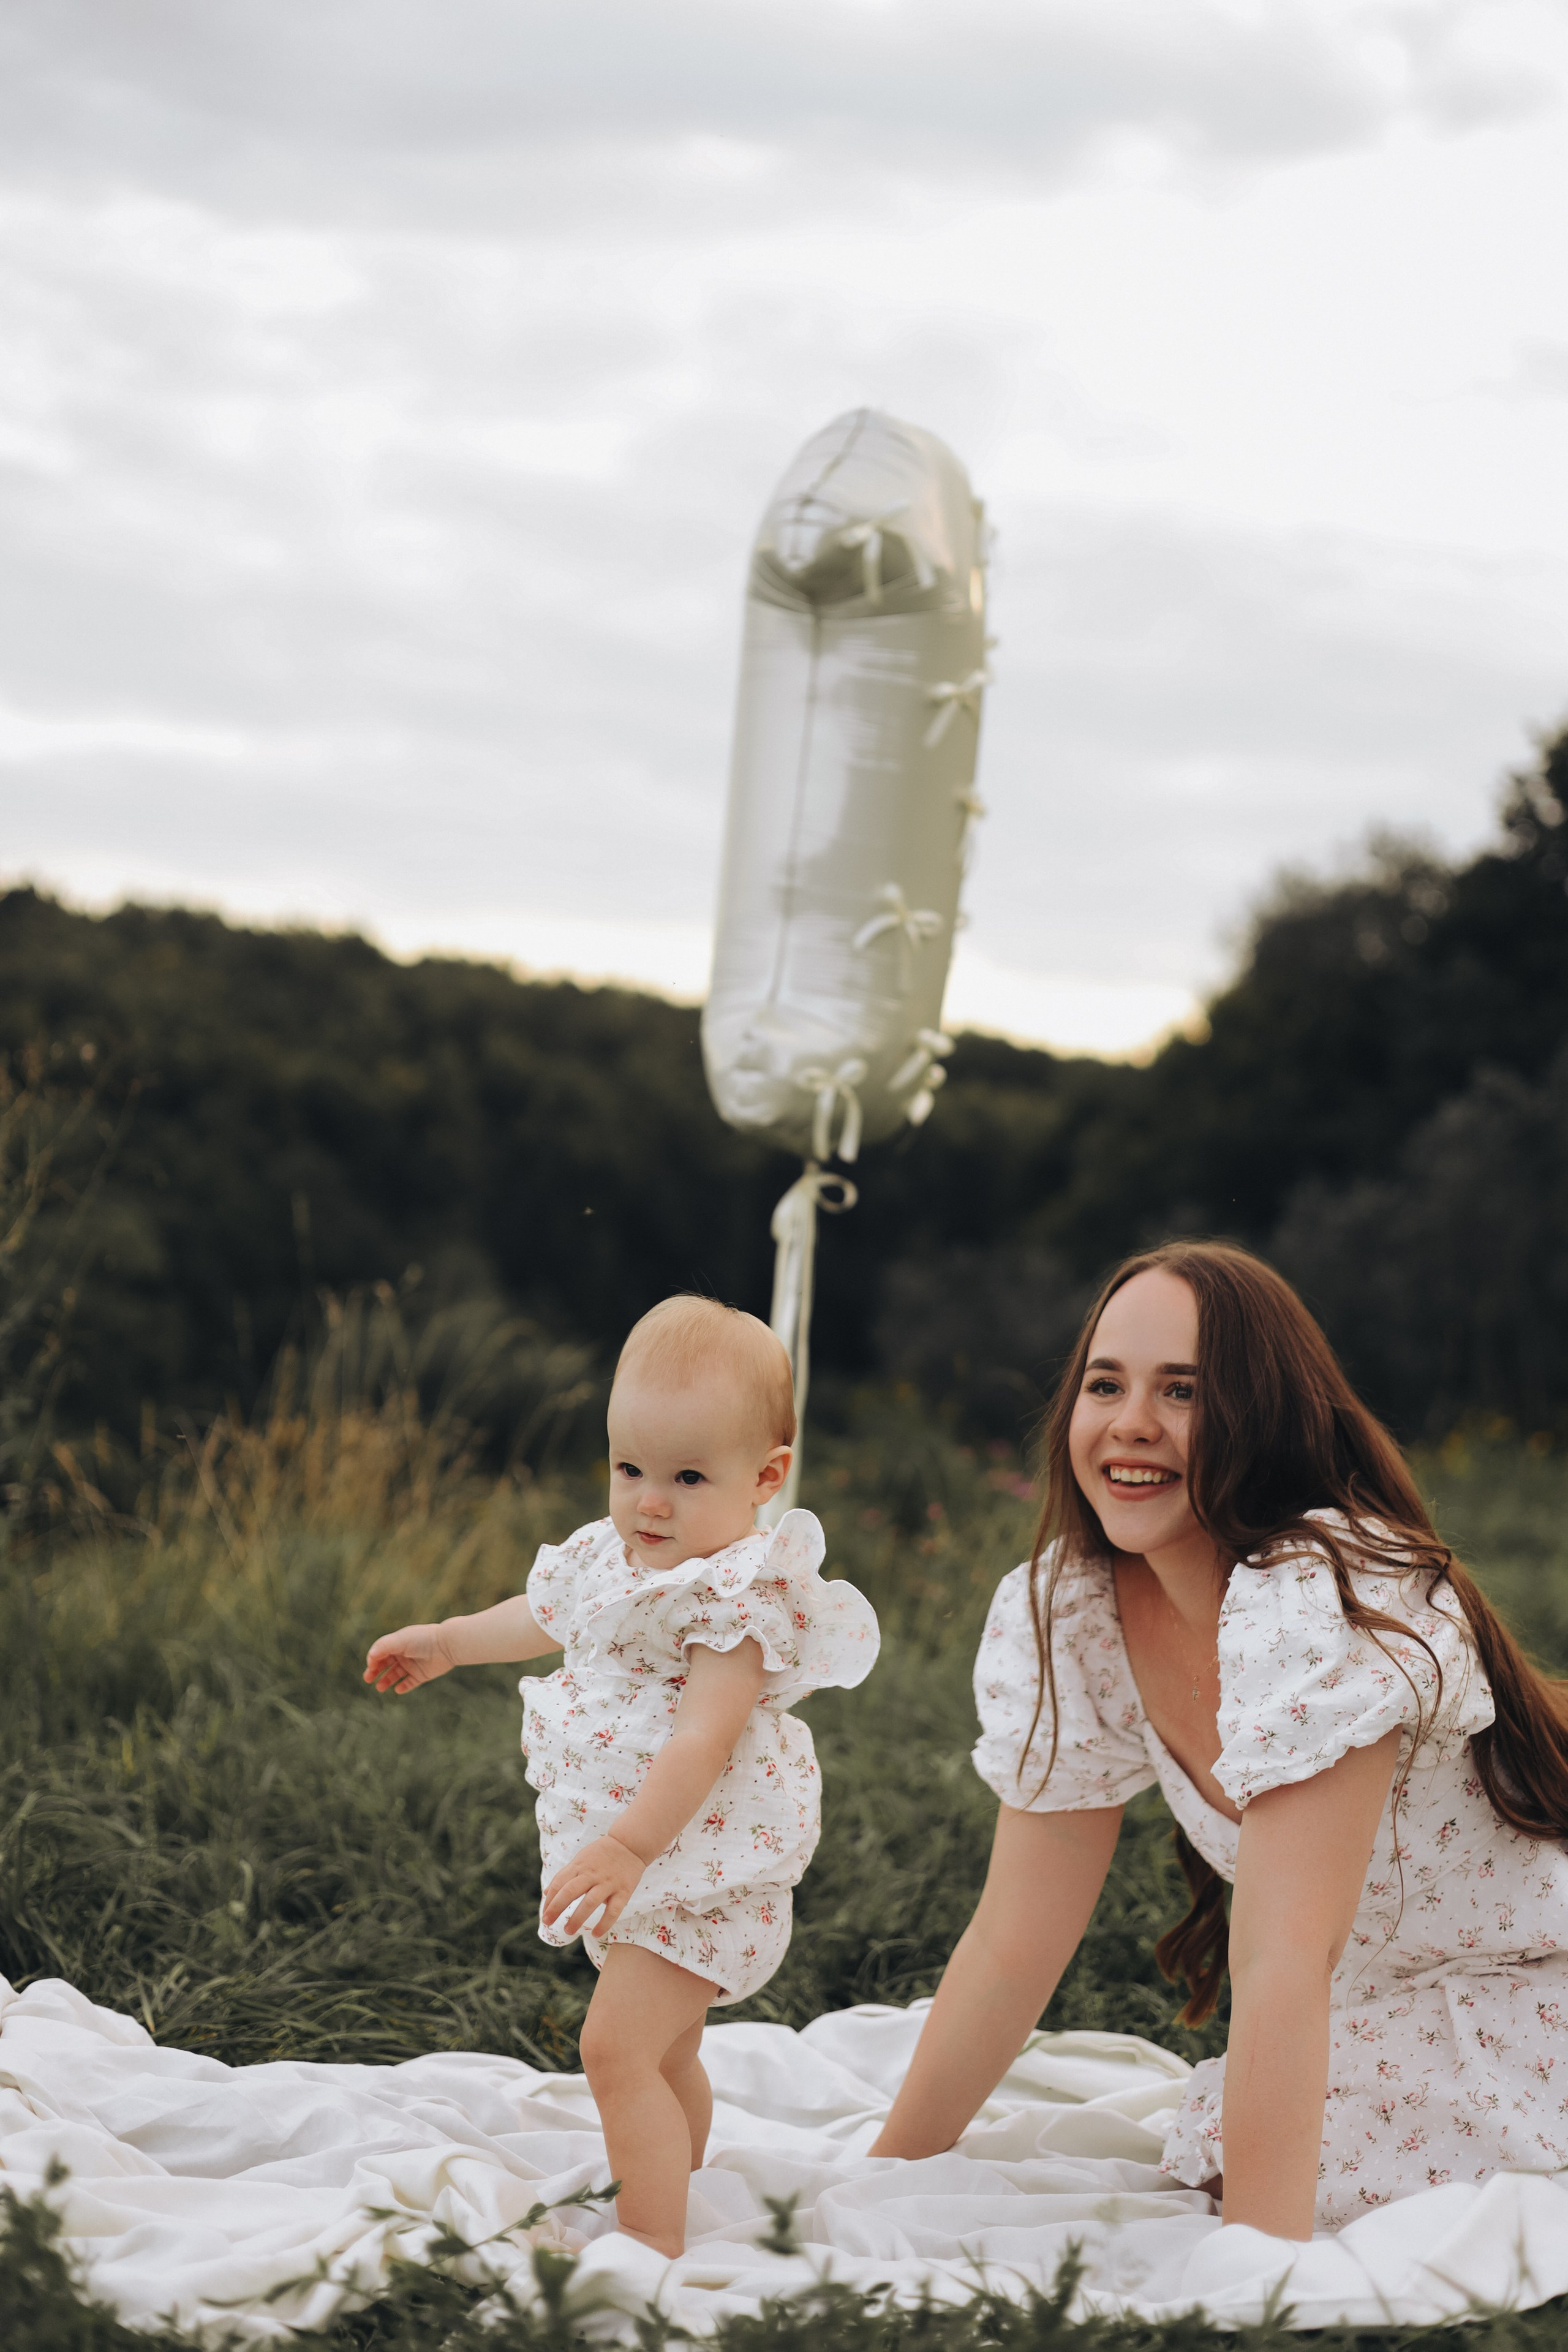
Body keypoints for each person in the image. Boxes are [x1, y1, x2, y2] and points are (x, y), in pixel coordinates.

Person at [870, 1240, 1568, 2239]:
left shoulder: (1326, 1597)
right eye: (1104, 1384)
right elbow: (1012, 1942)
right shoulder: (1074, 1610)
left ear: (1265, 1414)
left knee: (1275, 2182)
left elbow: (1284, 1956)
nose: (1131, 1426)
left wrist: (1261, 2268)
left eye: (1185, 1391)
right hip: (1372, 2010)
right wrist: (889, 2171)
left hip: (1526, 1989)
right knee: (1234, 2154)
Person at [364, 1295, 878, 2258]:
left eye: (688, 1476)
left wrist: (631, 1846)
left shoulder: (736, 1596)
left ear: (765, 1477)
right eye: (629, 1468)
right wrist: (445, 1641)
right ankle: (670, 2182)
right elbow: (546, 1612)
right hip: (642, 1864)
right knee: (668, 2051)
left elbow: (702, 1743)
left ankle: (648, 2241)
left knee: (615, 2049)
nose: (649, 1500)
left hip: (696, 1866)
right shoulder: (621, 1552)